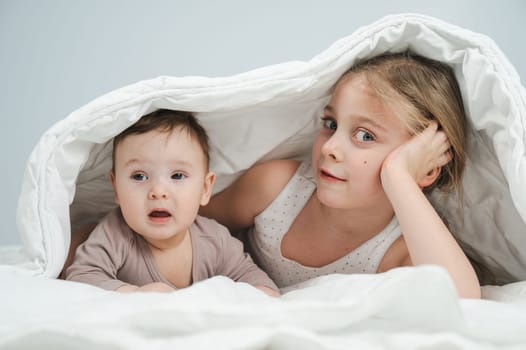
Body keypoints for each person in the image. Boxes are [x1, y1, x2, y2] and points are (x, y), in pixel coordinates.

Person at [200, 51, 481, 298]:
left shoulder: (398, 248)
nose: (330, 147)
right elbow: (191, 221)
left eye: (365, 135)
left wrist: (399, 177)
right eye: (331, 124)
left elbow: (462, 299)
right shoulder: (275, 188)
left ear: (425, 168)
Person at [65, 109, 279, 296]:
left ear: (205, 189)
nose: (158, 192)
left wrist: (262, 295)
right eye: (139, 176)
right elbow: (82, 277)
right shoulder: (114, 235)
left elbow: (251, 276)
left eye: (177, 176)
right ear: (117, 189)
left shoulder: (215, 240)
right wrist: (134, 293)